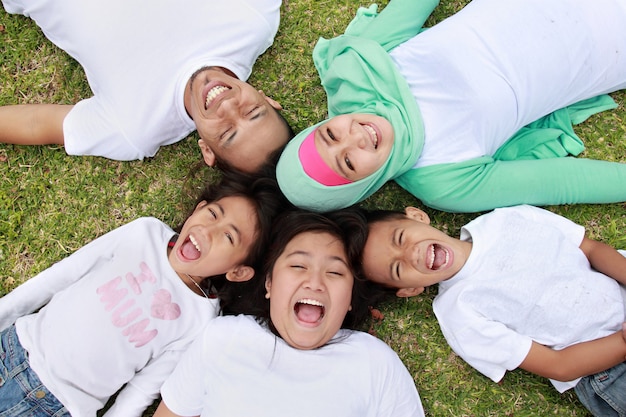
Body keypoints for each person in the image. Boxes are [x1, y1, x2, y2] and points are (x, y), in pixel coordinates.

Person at [276, 0, 626, 213]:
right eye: (349, 162)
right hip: (612, 45)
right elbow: (564, 183)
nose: (356, 137)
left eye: (331, 134)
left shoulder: (359, 69)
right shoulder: (441, 180)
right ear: (363, 186)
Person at [0, 175, 288, 417]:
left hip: (55, 405)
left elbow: (143, 388)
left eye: (229, 237)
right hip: (13, 346)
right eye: (213, 214)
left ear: (238, 272)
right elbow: (64, 274)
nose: (209, 231)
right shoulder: (144, 233)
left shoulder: (200, 320)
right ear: (199, 208)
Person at [360, 203, 626, 417]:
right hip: (606, 370)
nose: (410, 255)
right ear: (409, 290)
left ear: (417, 216)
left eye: (401, 238)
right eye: (397, 268)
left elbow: (590, 248)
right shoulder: (459, 313)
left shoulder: (509, 218)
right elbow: (560, 366)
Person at [152, 209, 425, 417]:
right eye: (297, 266)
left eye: (334, 272)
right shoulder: (225, 339)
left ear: (350, 300)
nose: (315, 282)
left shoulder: (375, 363)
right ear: (269, 283)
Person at [0, 0, 293, 174]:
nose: (228, 107)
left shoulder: (136, 129)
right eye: (254, 112)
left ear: (207, 150)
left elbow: (38, 122)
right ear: (268, 99)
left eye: (228, 132)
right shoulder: (253, 21)